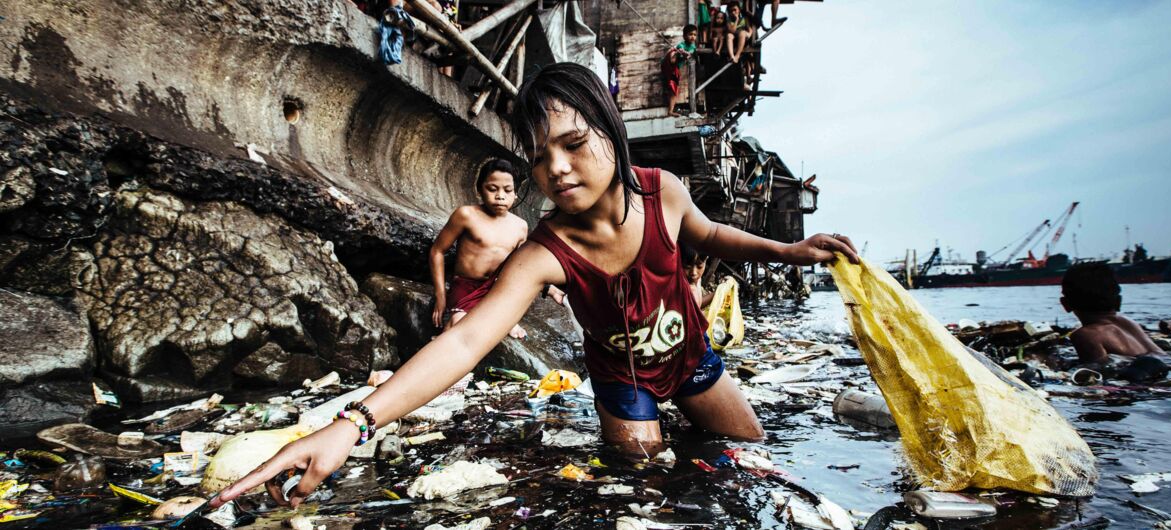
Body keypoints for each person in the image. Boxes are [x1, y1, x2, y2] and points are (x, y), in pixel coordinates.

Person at [212, 62, 858, 509]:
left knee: (749, 454)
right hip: (624, 380)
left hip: (692, 360)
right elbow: (465, 346)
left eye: (574, 143)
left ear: (611, 130)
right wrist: (353, 423)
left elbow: (713, 235)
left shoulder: (665, 193)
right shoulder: (544, 252)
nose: (556, 167)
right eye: (540, 155)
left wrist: (790, 250)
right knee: (645, 478)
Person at [429, 159, 529, 339]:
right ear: (479, 190)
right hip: (465, 285)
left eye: (507, 190)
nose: (500, 196)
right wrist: (440, 294)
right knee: (459, 325)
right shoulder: (466, 215)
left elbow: (521, 267)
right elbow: (437, 251)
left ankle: (506, 317)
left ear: (515, 194)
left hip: (496, 289)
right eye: (492, 189)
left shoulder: (520, 226)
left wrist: (550, 289)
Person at [1061, 262, 1167, 382]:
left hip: (1137, 381)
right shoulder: (1129, 322)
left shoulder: (1085, 335)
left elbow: (1095, 374)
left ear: (1065, 304)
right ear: (1118, 301)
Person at [663, 25, 698, 117]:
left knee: (674, 89)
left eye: (695, 35)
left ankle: (670, 110)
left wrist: (687, 54)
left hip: (674, 69)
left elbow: (690, 53)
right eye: (690, 34)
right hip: (669, 65)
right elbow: (681, 48)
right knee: (673, 52)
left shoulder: (693, 47)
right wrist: (681, 51)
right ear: (684, 36)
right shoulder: (681, 45)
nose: (693, 37)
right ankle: (670, 110)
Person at [680, 243, 714, 308]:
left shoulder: (697, 280)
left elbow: (697, 305)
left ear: (706, 260)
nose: (694, 272)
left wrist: (718, 293)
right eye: (687, 266)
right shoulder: (679, 286)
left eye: (699, 266)